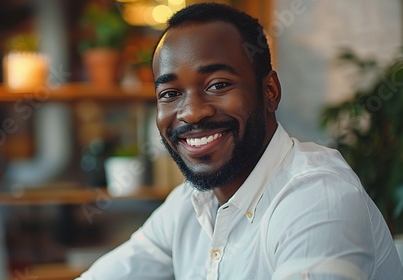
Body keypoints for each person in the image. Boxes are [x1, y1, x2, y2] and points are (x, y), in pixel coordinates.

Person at [77, 3, 403, 279]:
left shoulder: (318, 196)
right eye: (171, 93)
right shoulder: (190, 204)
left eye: (218, 85)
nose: (191, 113)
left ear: (270, 92)